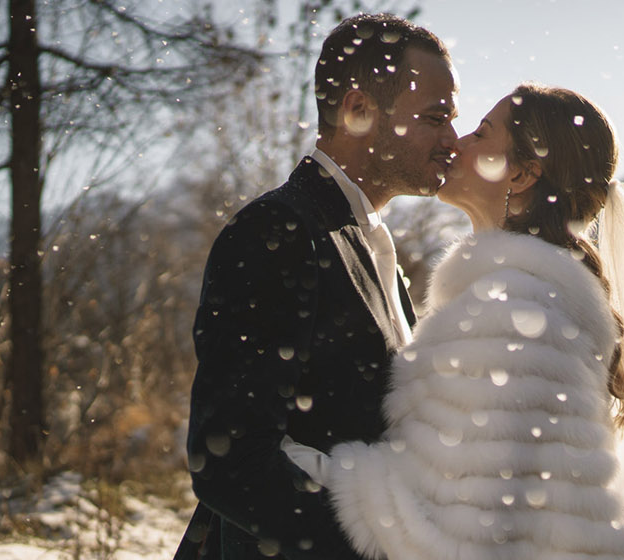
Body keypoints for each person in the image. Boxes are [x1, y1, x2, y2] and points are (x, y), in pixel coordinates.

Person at [282, 84, 624, 559]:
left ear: (520, 175)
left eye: (480, 133)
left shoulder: (512, 309)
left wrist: (297, 461)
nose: (457, 141)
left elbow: (453, 536)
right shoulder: (534, 299)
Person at [175, 13, 457, 560]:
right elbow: (230, 460)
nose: (452, 139)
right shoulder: (276, 231)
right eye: (436, 117)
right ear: (357, 111)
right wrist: (389, 542)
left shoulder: (374, 245)